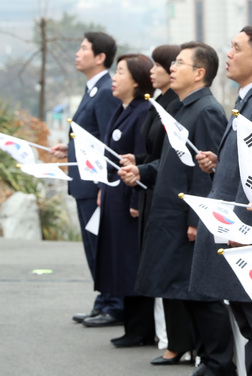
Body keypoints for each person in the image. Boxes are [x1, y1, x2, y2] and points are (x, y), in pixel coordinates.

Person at [119, 41, 233, 376]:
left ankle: (218, 363)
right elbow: (173, 164)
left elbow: (206, 172)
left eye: (180, 63)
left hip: (188, 219)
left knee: (201, 295)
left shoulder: (207, 110)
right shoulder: (182, 108)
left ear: (199, 73)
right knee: (184, 292)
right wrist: (143, 171)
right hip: (169, 212)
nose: (172, 68)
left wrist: (196, 219)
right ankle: (205, 360)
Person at [190, 26, 252, 376]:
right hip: (233, 222)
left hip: (242, 228)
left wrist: (241, 231)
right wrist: (220, 163)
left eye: (236, 48)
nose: (228, 54)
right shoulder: (251, 97)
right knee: (249, 319)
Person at [117, 44, 195, 361]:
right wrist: (139, 166)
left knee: (174, 273)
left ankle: (181, 342)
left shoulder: (180, 105)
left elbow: (179, 160)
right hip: (154, 187)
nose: (155, 71)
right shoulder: (161, 102)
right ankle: (175, 340)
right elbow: (155, 154)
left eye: (161, 65)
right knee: (162, 271)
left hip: (171, 196)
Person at [50, 31, 122, 326]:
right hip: (82, 181)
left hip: (94, 184)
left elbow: (106, 143)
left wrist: (102, 184)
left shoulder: (105, 90)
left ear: (100, 57)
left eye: (83, 49)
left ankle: (114, 304)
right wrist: (67, 148)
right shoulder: (93, 88)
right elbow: (87, 136)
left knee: (101, 245)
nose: (77, 54)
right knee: (92, 246)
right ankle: (102, 300)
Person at [93, 53, 154, 340]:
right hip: (114, 196)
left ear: (137, 79)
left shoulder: (142, 111)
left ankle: (140, 330)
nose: (114, 78)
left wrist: (134, 202)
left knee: (131, 262)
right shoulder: (122, 109)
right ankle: (131, 326)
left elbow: (141, 160)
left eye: (120, 72)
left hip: (130, 200)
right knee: (119, 260)